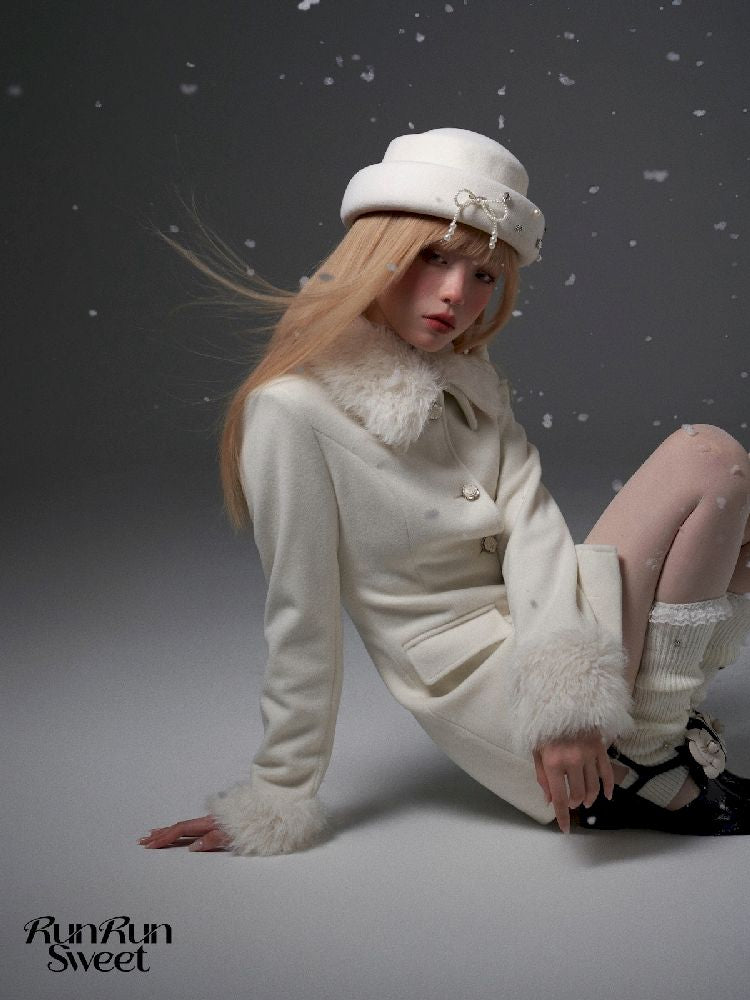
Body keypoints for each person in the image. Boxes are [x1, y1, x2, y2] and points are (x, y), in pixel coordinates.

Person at [139, 127, 750, 857]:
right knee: (707, 457)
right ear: (375, 253)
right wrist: (278, 793)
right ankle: (648, 758)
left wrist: (566, 698)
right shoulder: (293, 410)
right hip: (487, 689)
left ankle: (651, 735)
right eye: (432, 257)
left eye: (485, 274)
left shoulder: (470, 385)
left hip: (553, 651)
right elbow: (301, 619)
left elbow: (535, 536)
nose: (458, 294)